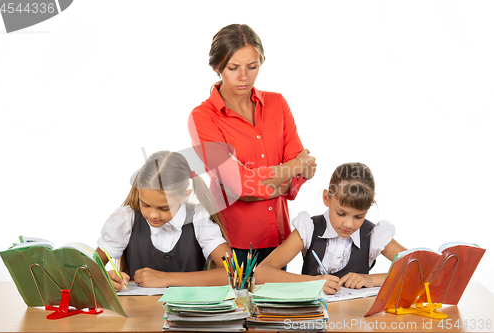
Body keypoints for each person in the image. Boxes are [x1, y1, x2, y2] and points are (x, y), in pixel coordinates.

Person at [188, 23, 317, 266]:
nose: (243, 76)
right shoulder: (202, 117)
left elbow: (304, 169)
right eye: (233, 68)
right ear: (217, 67)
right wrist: (291, 169)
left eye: (252, 66)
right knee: (234, 303)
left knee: (275, 305)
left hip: (278, 240)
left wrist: (250, 190)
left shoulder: (278, 104)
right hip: (231, 241)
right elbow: (237, 184)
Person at [255, 162, 407, 295]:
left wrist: (372, 279)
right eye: (341, 213)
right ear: (327, 199)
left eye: (358, 217)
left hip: (355, 321)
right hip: (312, 318)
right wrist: (313, 282)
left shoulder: (374, 235)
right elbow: (261, 273)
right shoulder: (309, 229)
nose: (348, 224)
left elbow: (421, 270)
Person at [96, 150, 232, 291]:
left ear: (184, 196)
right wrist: (105, 277)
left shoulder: (199, 218)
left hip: (187, 311)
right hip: (137, 311)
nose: (153, 215)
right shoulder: (126, 218)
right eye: (145, 205)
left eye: (164, 208)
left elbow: (232, 273)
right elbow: (86, 272)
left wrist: (167, 278)